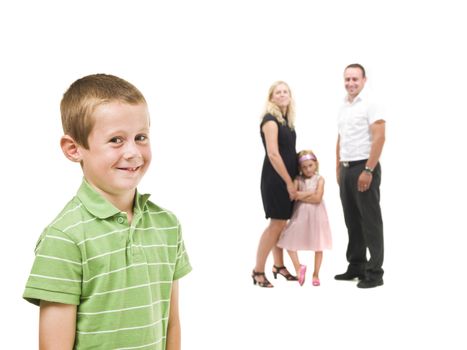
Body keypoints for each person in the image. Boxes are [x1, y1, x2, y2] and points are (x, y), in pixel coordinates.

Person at [23, 74, 192, 349]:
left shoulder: (167, 225)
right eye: (116, 140)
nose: (133, 152)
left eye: (141, 137)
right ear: (73, 148)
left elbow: (171, 323)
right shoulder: (64, 238)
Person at [335, 63, 386, 289]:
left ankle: (374, 272)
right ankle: (356, 265)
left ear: (364, 80)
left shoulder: (371, 103)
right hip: (347, 169)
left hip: (363, 167)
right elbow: (340, 138)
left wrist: (368, 170)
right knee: (352, 220)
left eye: (355, 79)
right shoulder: (344, 105)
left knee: (370, 221)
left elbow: (379, 137)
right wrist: (338, 168)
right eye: (347, 79)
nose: (350, 83)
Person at [252, 81, 299, 288]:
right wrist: (289, 182)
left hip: (287, 178)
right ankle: (258, 270)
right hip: (276, 179)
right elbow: (273, 153)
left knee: (281, 224)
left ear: (290, 95)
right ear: (271, 97)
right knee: (276, 224)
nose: (282, 94)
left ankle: (279, 266)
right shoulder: (270, 121)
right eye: (277, 92)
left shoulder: (287, 121)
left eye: (285, 91)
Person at [277, 150, 332, 287]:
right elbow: (293, 195)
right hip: (300, 215)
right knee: (287, 239)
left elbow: (317, 198)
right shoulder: (297, 180)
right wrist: (309, 193)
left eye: (310, 165)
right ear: (300, 168)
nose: (308, 169)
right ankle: (298, 267)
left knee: (318, 244)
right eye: (304, 167)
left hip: (317, 215)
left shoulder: (320, 179)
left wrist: (301, 195)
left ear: (316, 164)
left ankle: (316, 273)